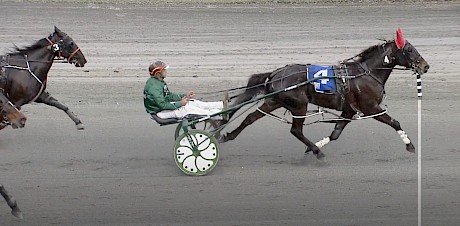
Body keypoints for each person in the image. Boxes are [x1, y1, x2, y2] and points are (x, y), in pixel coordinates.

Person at [143, 60, 228, 120]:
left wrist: (185, 95)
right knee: (189, 109)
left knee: (192, 102)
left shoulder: (158, 82)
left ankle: (220, 105)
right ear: (158, 73)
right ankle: (219, 114)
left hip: (163, 109)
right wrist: (180, 103)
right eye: (164, 70)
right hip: (160, 113)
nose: (166, 71)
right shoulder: (154, 87)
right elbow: (162, 105)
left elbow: (169, 96)